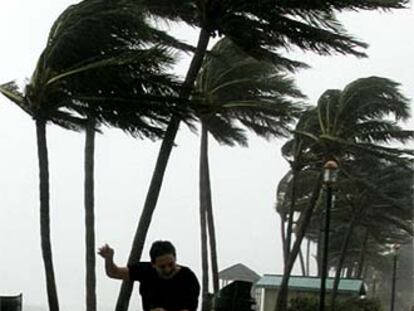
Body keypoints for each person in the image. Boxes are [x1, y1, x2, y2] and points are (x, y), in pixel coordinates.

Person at [98, 240, 200, 311]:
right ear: (153, 264)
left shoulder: (188, 278)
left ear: (175, 259)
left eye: (170, 264)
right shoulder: (145, 271)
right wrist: (109, 259)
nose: (167, 269)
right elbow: (114, 272)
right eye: (162, 267)